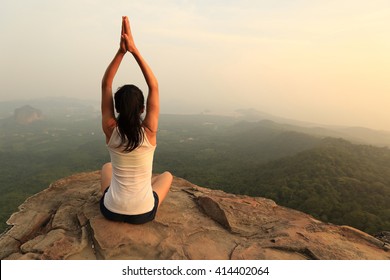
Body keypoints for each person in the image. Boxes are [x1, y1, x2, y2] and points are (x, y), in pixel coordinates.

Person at [99, 16, 172, 224]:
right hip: (143, 213)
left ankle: (124, 196)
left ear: (117, 108)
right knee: (166, 176)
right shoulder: (149, 130)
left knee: (106, 167)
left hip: (110, 211)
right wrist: (134, 50)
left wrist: (121, 52)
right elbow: (154, 87)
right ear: (142, 108)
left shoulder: (110, 128)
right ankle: (141, 190)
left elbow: (106, 85)